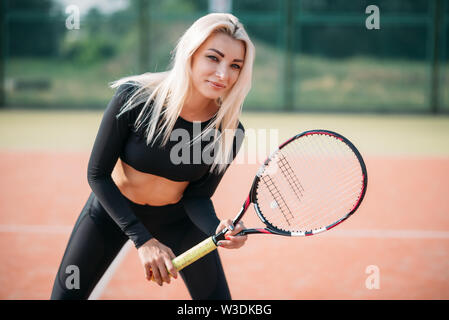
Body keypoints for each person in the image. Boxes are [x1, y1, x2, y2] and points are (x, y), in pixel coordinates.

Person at [50, 12, 255, 300]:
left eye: (235, 65)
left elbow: (196, 196)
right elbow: (97, 174)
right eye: (213, 57)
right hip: (111, 213)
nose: (224, 74)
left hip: (179, 221)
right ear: (191, 53)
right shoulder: (133, 98)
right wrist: (143, 239)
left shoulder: (229, 131)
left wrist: (219, 229)